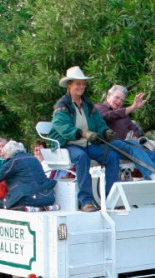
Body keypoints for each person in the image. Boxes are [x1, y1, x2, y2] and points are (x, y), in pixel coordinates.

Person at [48, 66, 119, 212]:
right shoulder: (62, 106)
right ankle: (85, 201)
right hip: (66, 144)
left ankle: (110, 198)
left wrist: (106, 131)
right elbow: (63, 128)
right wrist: (83, 134)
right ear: (69, 85)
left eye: (83, 83)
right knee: (82, 157)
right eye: (78, 83)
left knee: (112, 156)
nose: (81, 86)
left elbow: (99, 123)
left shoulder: (88, 104)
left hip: (86, 143)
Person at [96, 84, 155, 180]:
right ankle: (152, 175)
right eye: (117, 97)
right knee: (132, 144)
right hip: (109, 146)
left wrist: (135, 137)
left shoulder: (123, 115)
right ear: (108, 95)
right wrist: (132, 107)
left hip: (128, 147)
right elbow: (109, 116)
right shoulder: (99, 108)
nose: (119, 101)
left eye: (122, 100)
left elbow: (134, 129)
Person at [0, 140, 57, 209]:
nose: (4, 159)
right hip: (48, 196)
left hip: (29, 199)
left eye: (4, 155)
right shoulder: (33, 158)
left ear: (9, 153)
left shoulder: (14, 161)